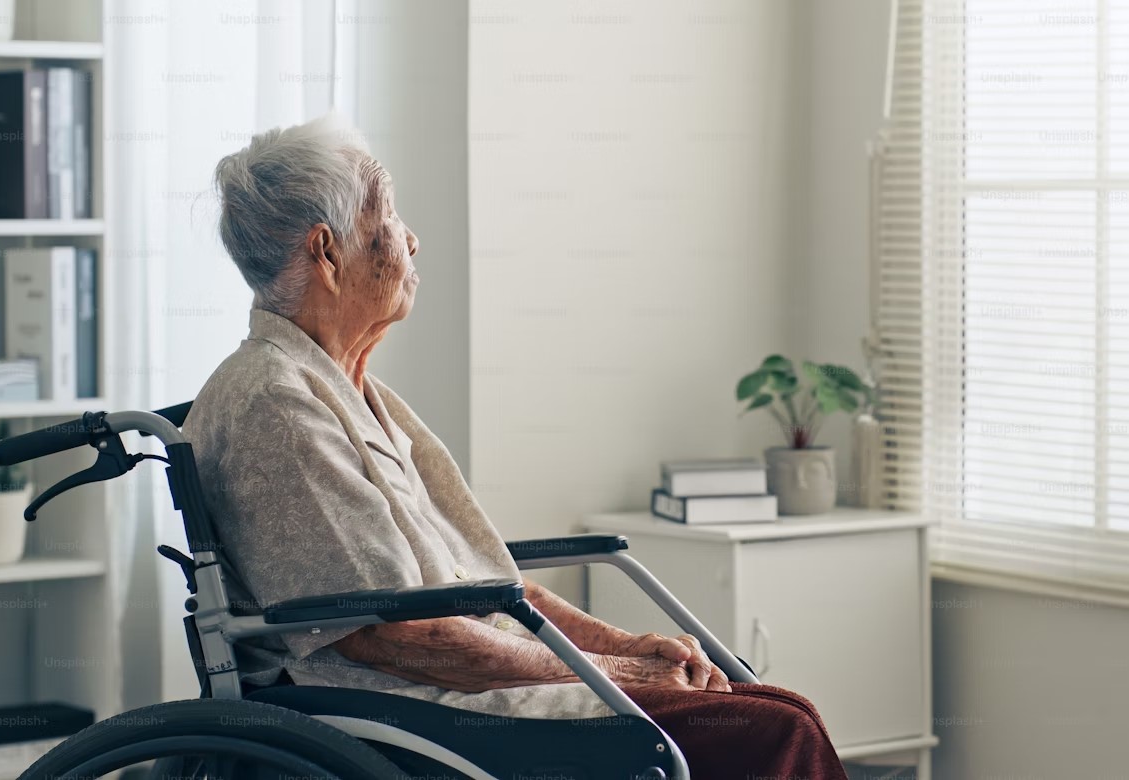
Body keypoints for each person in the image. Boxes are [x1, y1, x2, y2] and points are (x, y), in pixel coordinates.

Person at [184, 114, 848, 780]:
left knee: (778, 707)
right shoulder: (278, 404)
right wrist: (614, 670)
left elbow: (479, 585)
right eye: (386, 218)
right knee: (771, 733)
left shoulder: (345, 387)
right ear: (326, 253)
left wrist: (628, 646)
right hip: (408, 710)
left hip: (461, 683)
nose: (412, 239)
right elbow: (397, 637)